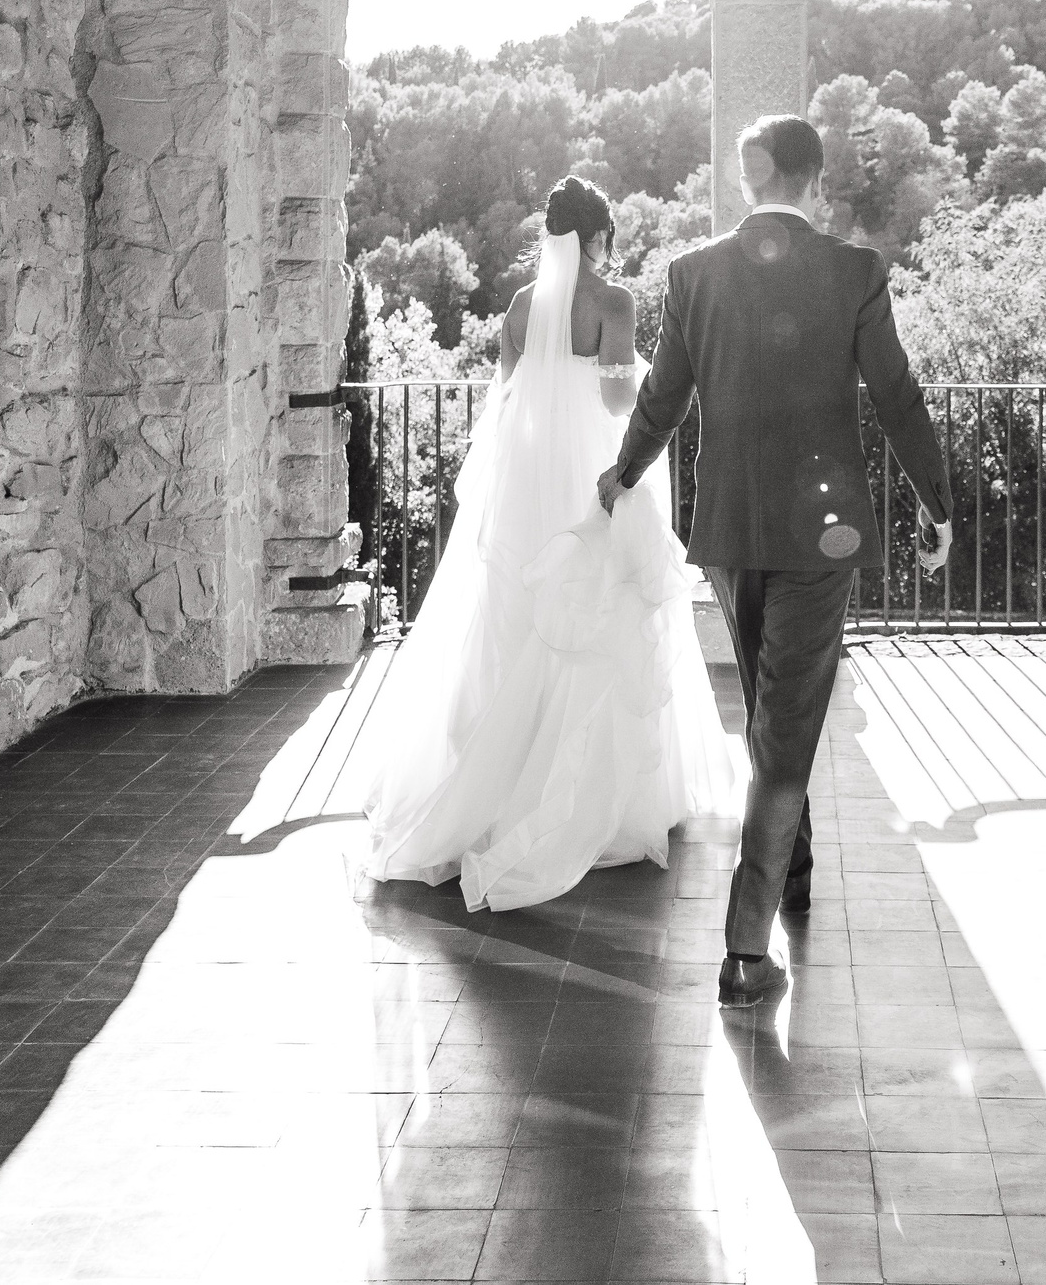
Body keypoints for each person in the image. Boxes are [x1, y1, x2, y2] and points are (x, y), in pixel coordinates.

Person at [598, 116, 953, 1008]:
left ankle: (788, 878)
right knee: (784, 726)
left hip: (728, 526)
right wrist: (936, 501)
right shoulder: (853, 272)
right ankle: (745, 952)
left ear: (753, 180)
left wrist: (623, 471)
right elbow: (898, 397)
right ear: (813, 179)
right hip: (817, 535)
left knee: (773, 711)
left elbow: (663, 395)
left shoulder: (692, 274)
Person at [359, 176, 747, 911]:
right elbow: (616, 400)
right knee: (597, 616)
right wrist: (644, 375)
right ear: (599, 238)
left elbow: (505, 397)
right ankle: (597, 804)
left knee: (513, 621)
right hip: (591, 478)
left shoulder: (519, 306)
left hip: (527, 486)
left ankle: (495, 789)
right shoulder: (613, 304)